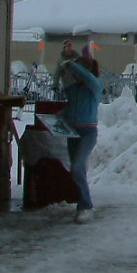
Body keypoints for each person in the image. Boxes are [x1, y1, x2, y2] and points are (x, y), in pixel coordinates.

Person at [56, 40, 102, 223]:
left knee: (77, 167)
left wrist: (72, 64)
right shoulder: (73, 90)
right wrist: (59, 116)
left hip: (88, 133)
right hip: (72, 132)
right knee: (77, 170)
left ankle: (86, 206)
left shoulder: (94, 87)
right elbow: (70, 108)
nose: (75, 77)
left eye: (77, 74)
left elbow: (89, 78)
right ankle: (82, 204)